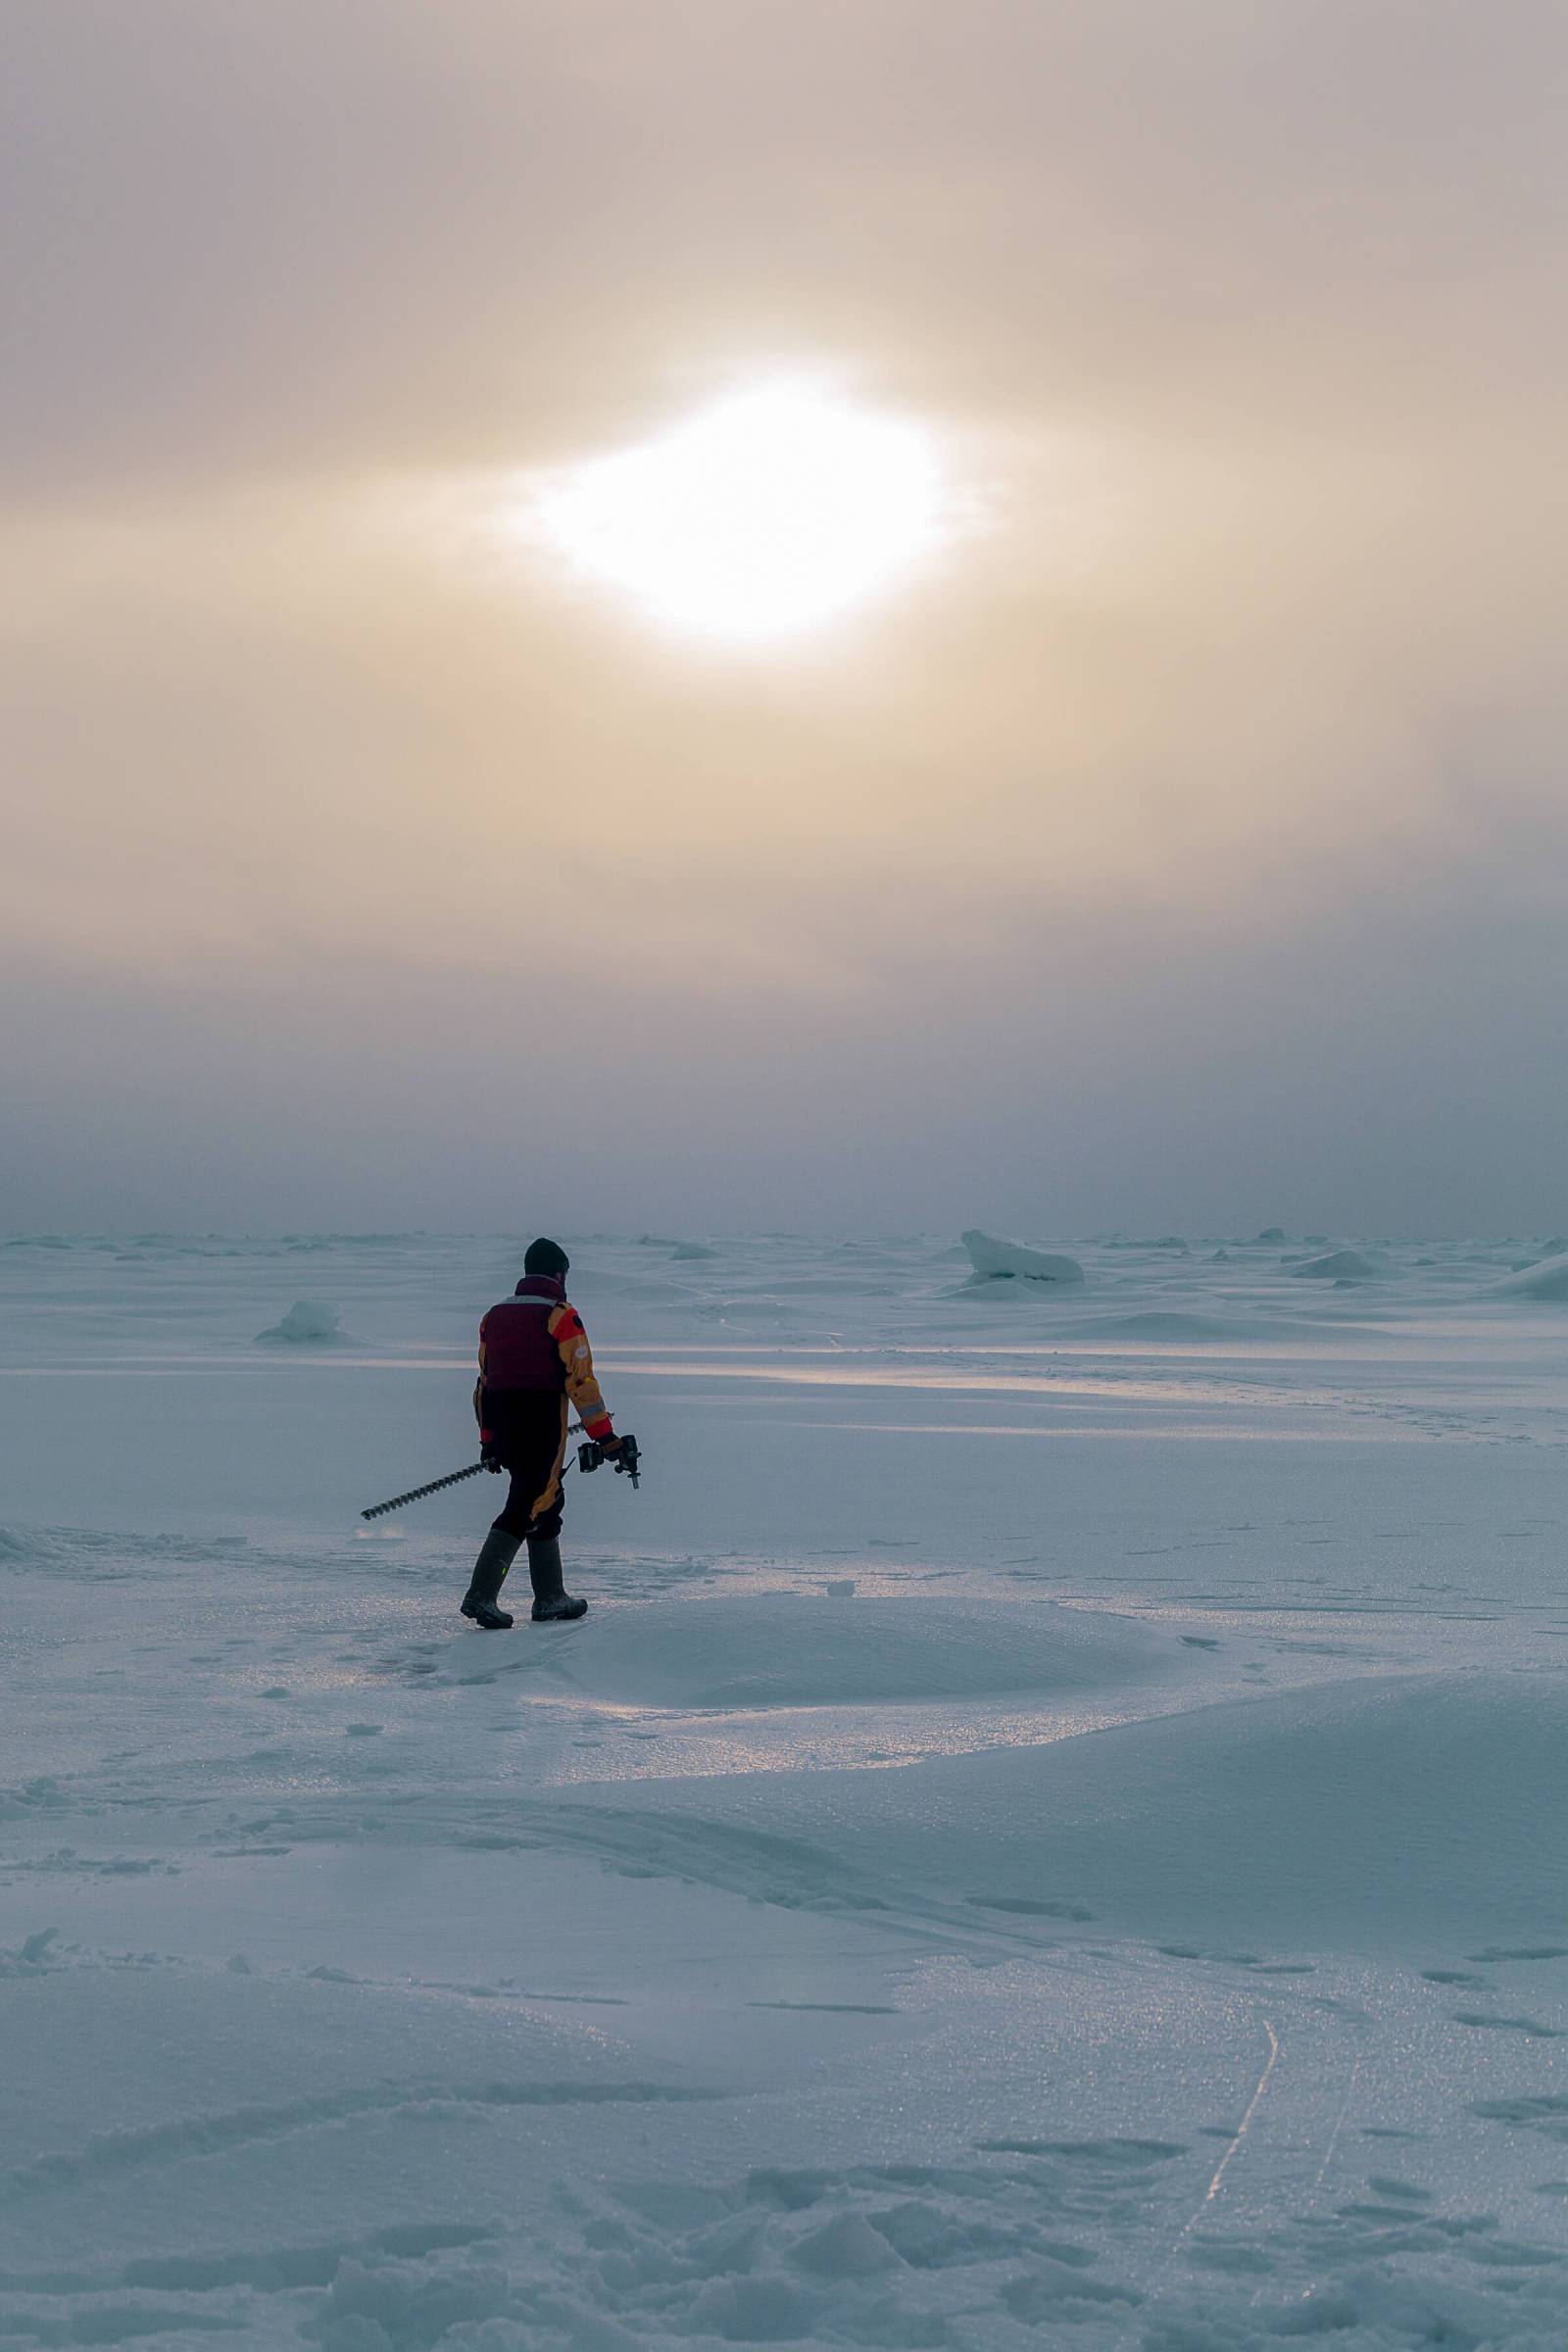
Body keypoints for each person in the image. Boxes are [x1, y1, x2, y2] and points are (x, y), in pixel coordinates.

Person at [461, 1238, 625, 1629]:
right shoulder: (561, 1315)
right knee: (526, 1505)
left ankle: (550, 1597)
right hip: (541, 1419)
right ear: (558, 1273)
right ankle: (482, 1594)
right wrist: (605, 1437)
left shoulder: (493, 1315)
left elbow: (484, 1382)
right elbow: (581, 1383)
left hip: (501, 1418)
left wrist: (488, 1439)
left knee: (548, 1500)